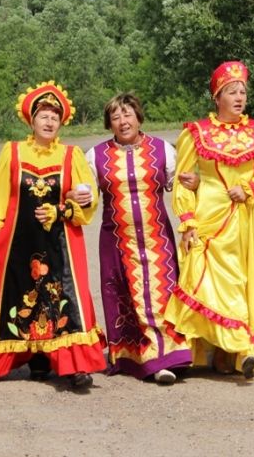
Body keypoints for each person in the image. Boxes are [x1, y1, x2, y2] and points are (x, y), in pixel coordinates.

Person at [0, 81, 105, 388]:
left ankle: (74, 366)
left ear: (61, 123)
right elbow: (0, 196)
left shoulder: (72, 156)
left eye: (54, 117)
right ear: (31, 120)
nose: (48, 121)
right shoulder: (12, 152)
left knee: (64, 298)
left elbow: (88, 197)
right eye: (43, 115)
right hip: (18, 241)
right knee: (20, 295)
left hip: (61, 243)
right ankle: (36, 359)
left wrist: (66, 207)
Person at [163, 61, 254, 379]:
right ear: (217, 97)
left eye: (243, 91)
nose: (239, 97)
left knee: (246, 283)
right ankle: (237, 348)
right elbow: (183, 180)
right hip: (209, 220)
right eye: (231, 91)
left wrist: (250, 187)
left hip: (249, 220)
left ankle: (233, 353)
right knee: (213, 284)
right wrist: (188, 220)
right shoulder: (197, 133)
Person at [85, 93, 192, 384]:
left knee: (162, 294)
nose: (123, 121)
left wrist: (195, 184)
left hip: (158, 237)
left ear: (138, 117)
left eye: (127, 114)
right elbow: (86, 193)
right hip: (117, 239)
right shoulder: (95, 156)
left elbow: (181, 185)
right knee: (126, 295)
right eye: (116, 117)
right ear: (109, 124)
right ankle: (142, 358)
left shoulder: (163, 150)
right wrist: (77, 196)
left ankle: (167, 355)